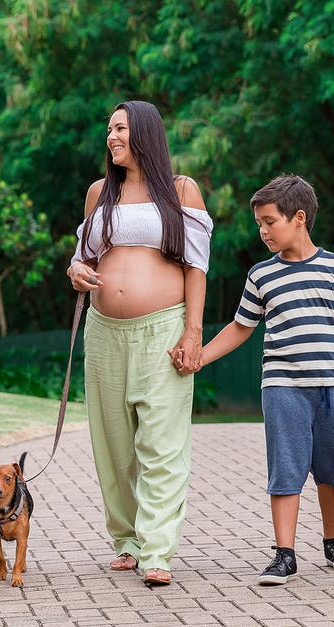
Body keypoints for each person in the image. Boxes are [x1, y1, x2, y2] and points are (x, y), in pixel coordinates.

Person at [195, 174, 334, 585]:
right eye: (259, 223)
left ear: (299, 218)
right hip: (282, 387)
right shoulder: (261, 275)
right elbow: (241, 326)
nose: (262, 231)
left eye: (269, 221)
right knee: (286, 468)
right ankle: (284, 554)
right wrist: (202, 357)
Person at [66, 100, 213, 586]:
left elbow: (197, 267)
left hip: (164, 328)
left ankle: (156, 551)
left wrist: (193, 333)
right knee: (113, 446)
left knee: (161, 443)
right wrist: (77, 270)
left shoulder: (181, 190)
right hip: (104, 331)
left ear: (146, 133)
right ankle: (126, 540)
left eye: (121, 128)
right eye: (108, 129)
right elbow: (82, 258)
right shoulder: (97, 194)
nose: (111, 137)